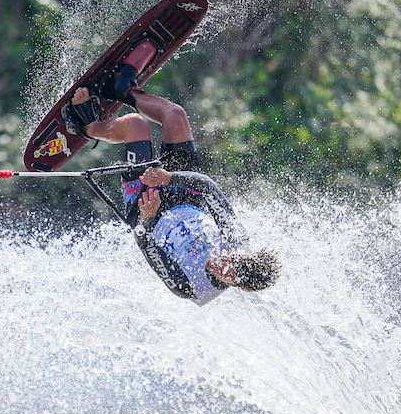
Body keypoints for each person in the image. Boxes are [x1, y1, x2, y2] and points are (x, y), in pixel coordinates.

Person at [61, 53, 280, 306]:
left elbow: (144, 242)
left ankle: (89, 127)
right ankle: (123, 88)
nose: (221, 263)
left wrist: (148, 215)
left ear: (234, 284)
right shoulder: (236, 240)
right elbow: (209, 188)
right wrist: (169, 177)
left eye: (225, 273)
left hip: (149, 210)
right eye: (229, 259)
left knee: (135, 124)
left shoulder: (191, 286)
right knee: (175, 115)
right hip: (185, 195)